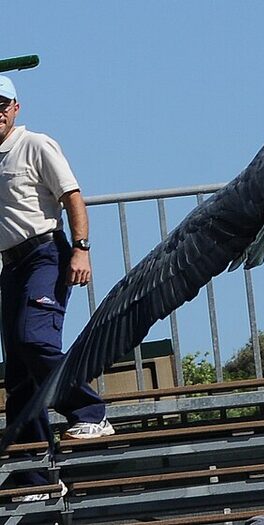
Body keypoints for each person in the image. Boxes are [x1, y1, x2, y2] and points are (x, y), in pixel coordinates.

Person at [0, 74, 113, 493]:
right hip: (10, 266)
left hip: (45, 253)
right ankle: (35, 477)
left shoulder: (36, 144)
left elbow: (72, 197)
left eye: (1, 104)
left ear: (15, 108)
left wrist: (81, 248)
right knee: (18, 374)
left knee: (35, 340)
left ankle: (91, 411)